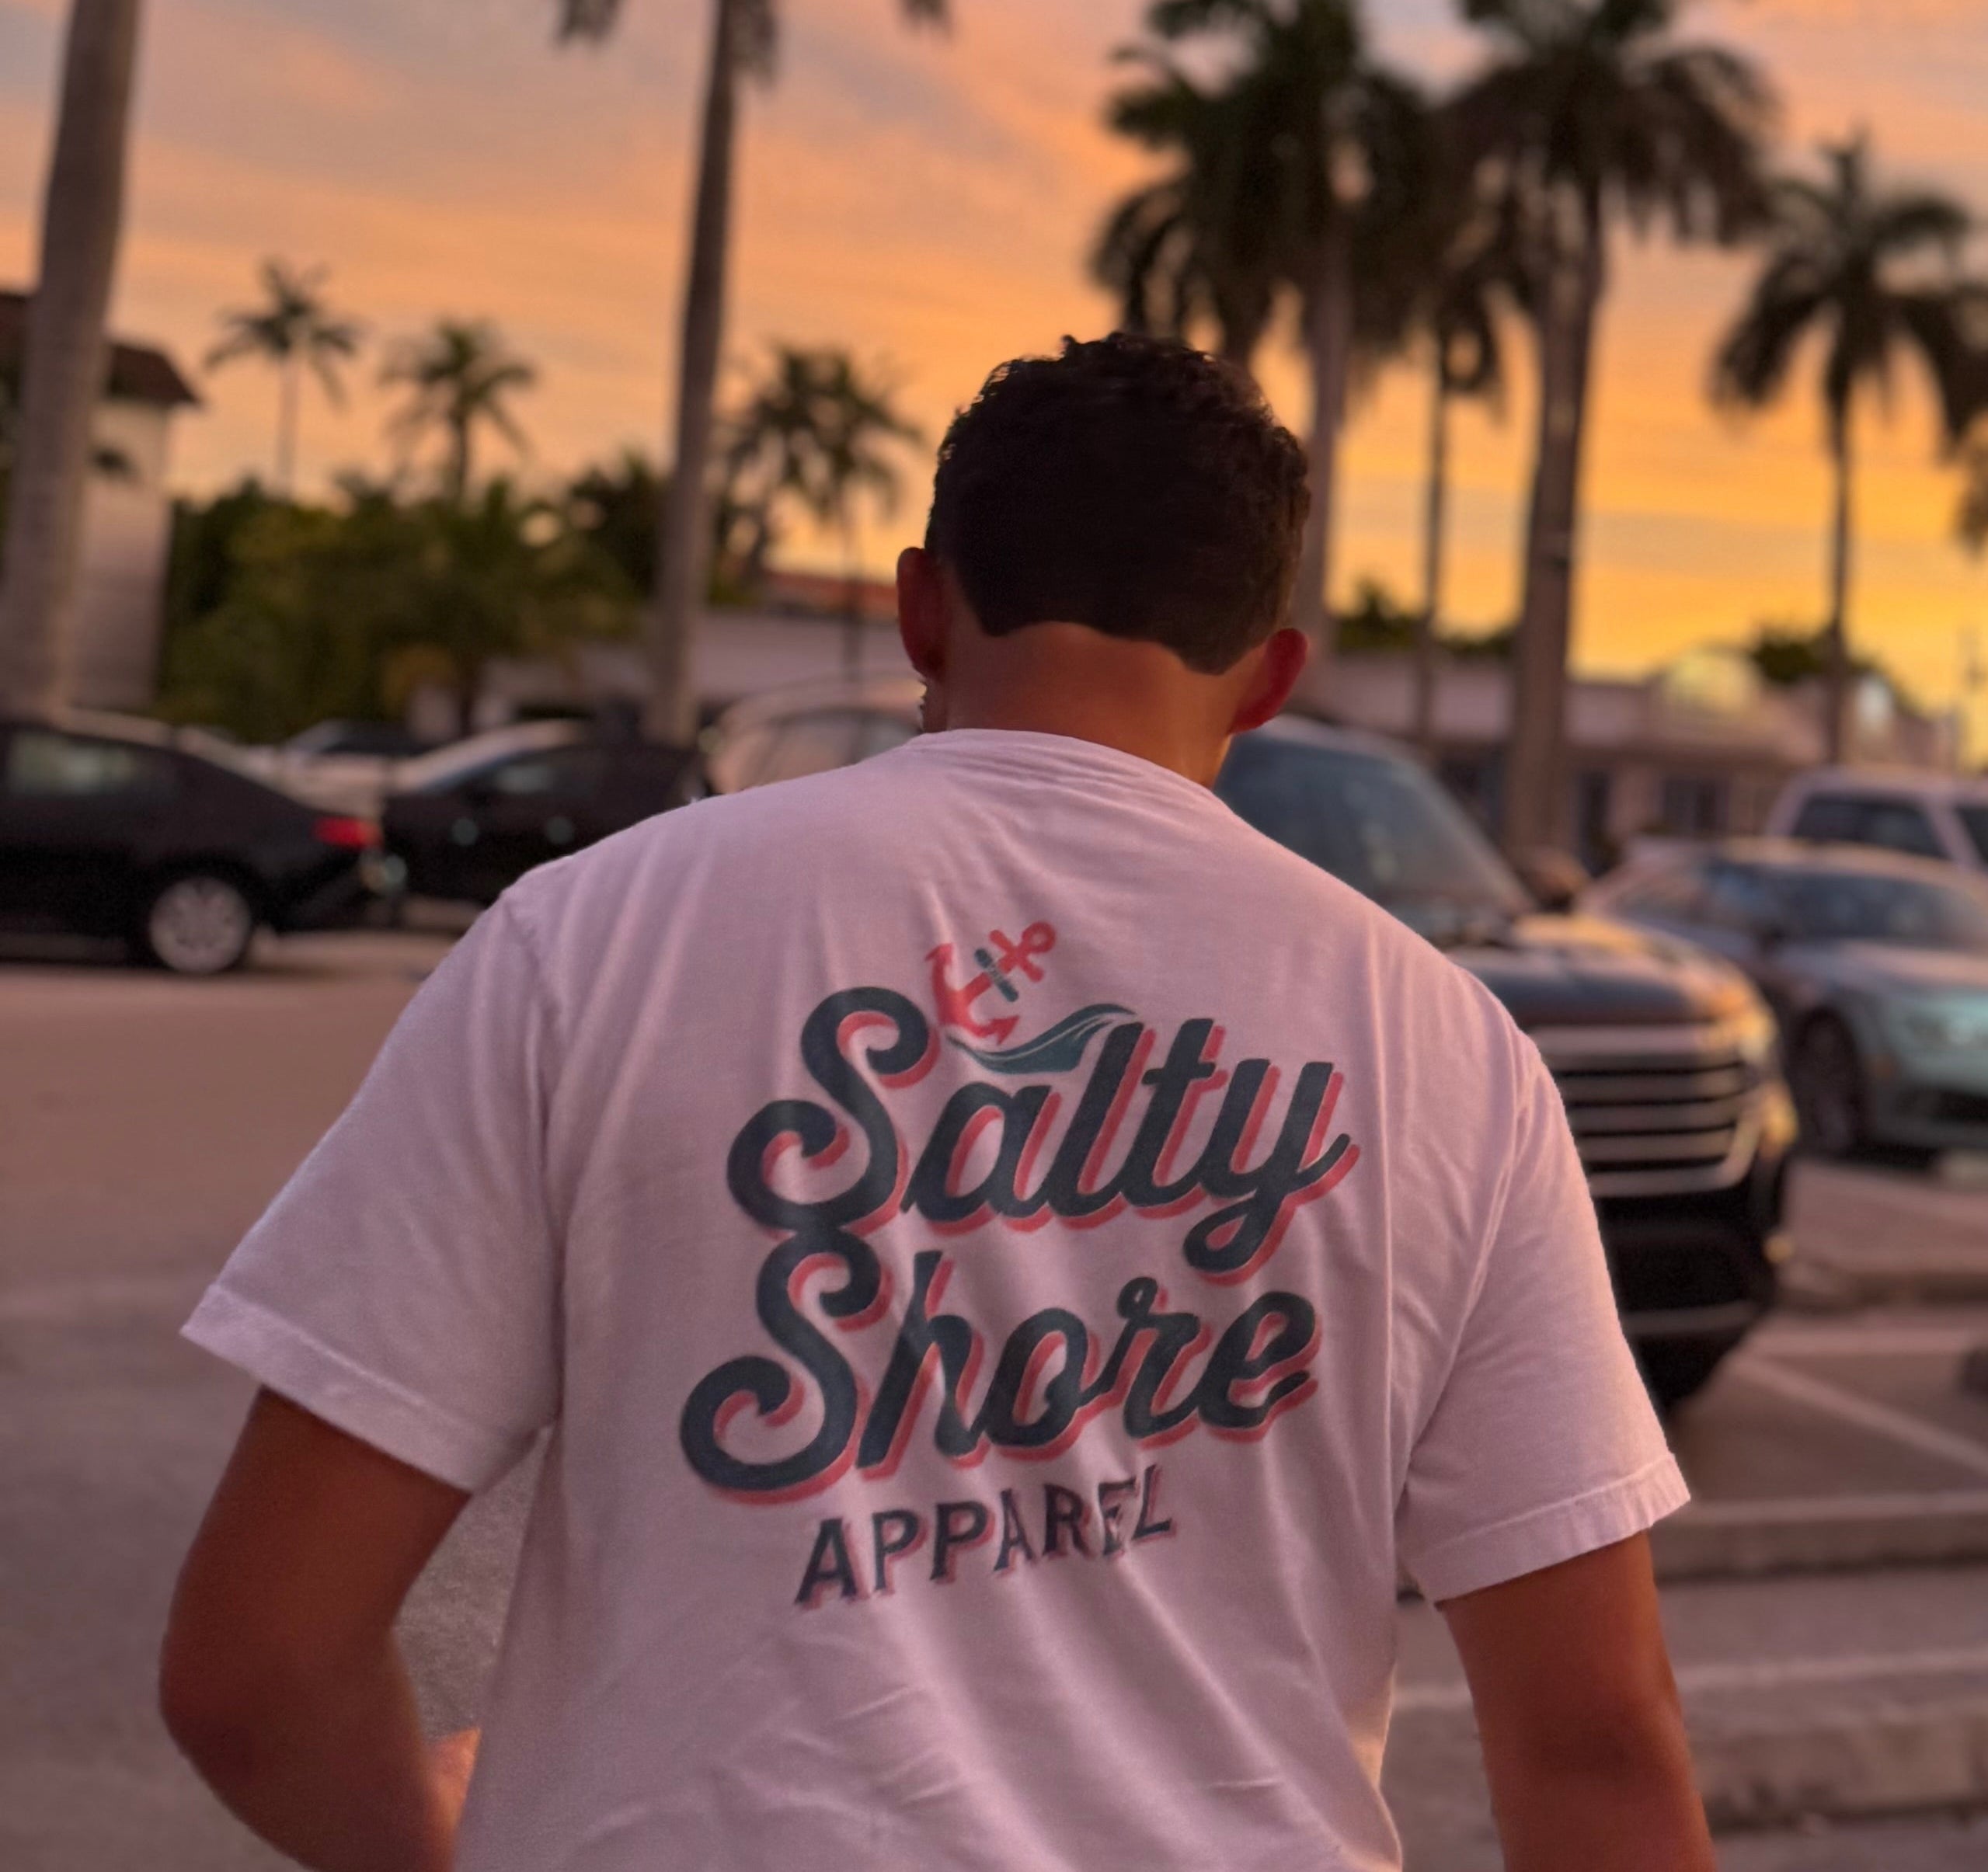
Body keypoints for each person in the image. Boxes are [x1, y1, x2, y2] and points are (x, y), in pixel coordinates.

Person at [160, 334, 1711, 1872]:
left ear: (919, 606)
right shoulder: (1446, 1047)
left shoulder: (594, 938)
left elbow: (257, 1666)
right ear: (1271, 674)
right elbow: (1595, 1747)